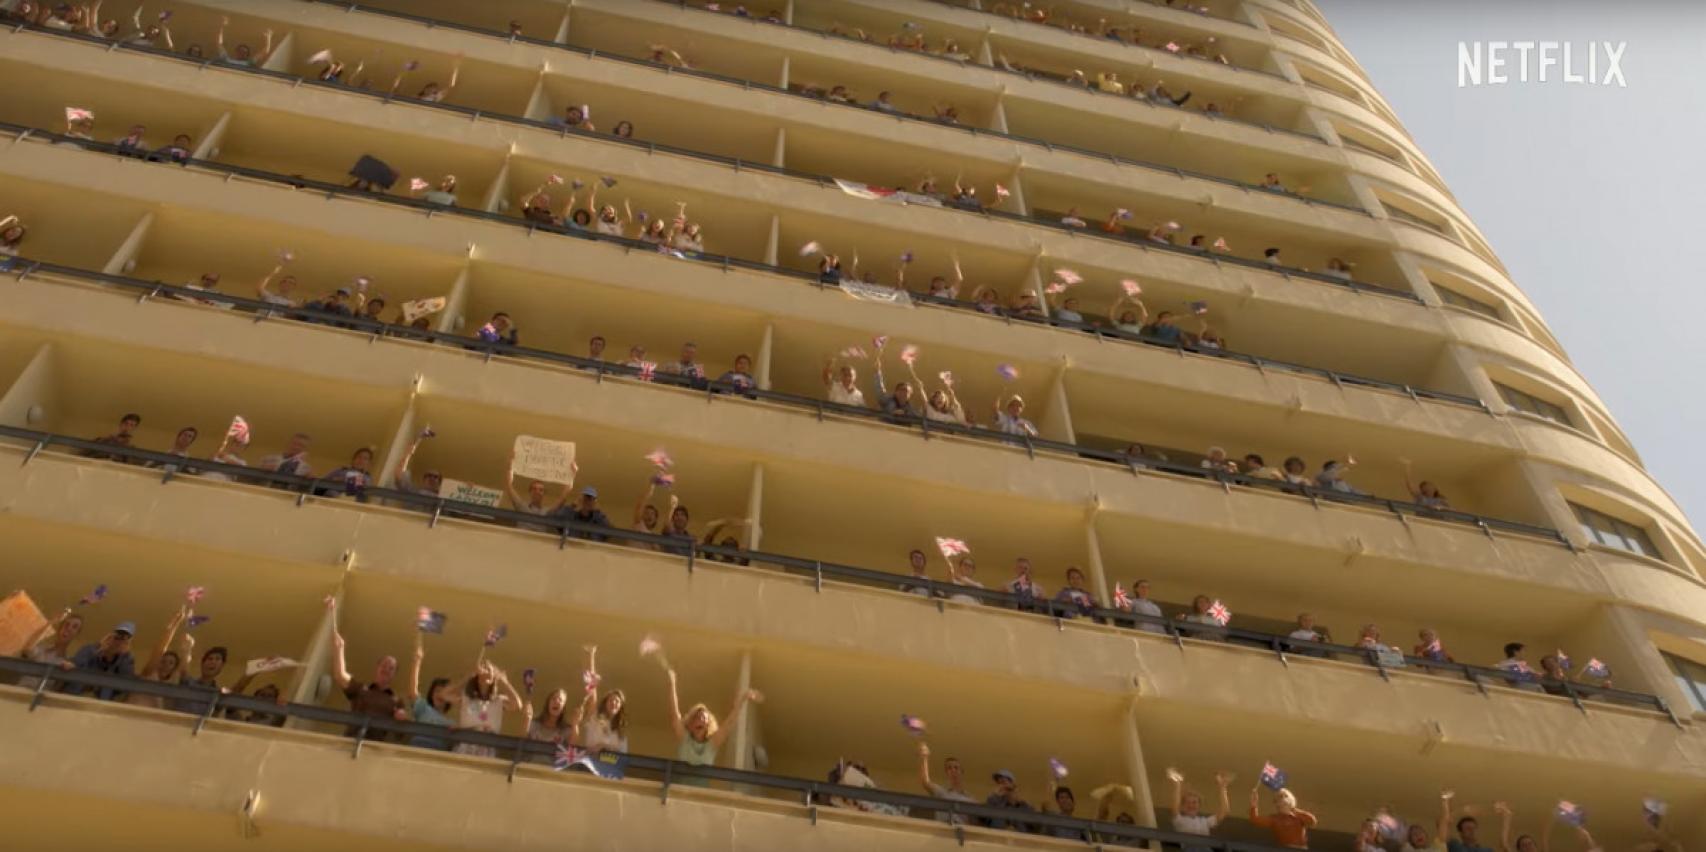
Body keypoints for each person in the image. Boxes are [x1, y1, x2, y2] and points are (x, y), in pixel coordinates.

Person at [664, 667, 761, 781]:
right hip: (679, 790)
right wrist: (672, 683)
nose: (700, 720)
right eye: (697, 717)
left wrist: (743, 699)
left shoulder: (711, 745)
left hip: (700, 791)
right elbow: (675, 715)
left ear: (708, 726)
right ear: (690, 724)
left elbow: (729, 723)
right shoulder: (685, 739)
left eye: (704, 718)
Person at [328, 603, 406, 737]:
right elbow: (340, 675)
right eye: (384, 665)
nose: (386, 669)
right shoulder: (361, 689)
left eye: (391, 668)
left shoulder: (397, 700)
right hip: (350, 740)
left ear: (394, 674)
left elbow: (400, 733)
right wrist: (339, 649)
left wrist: (402, 718)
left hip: (373, 746)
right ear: (377, 667)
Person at [439, 659, 523, 758]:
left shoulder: (498, 701)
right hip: (466, 745)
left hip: (487, 747)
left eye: (489, 670)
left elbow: (518, 704)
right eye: (484, 669)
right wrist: (468, 677)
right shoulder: (466, 699)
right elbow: (444, 694)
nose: (486, 672)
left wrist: (503, 681)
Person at [126, 605, 188, 710]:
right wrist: (175, 623)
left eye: (171, 663)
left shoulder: (172, 685)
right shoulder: (149, 675)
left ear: (174, 668)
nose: (165, 665)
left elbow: (184, 671)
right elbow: (160, 649)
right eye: (163, 661)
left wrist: (187, 650)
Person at [572, 645, 629, 755]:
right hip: (591, 762)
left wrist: (603, 747)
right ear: (605, 703)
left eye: (617, 701)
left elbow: (622, 756)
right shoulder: (595, 719)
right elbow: (592, 690)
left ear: (620, 707)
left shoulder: (621, 732)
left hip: (610, 765)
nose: (614, 703)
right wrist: (591, 657)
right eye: (611, 700)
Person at [65, 620, 138, 700]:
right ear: (111, 635)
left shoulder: (127, 660)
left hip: (100, 702)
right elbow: (76, 664)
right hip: (74, 696)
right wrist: (99, 648)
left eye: (124, 639)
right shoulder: (89, 649)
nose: (119, 641)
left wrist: (125, 656)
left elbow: (124, 685)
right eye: (117, 636)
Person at [405, 632, 454, 750]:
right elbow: (412, 692)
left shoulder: (450, 723)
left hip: (435, 756)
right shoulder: (424, 708)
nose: (439, 695)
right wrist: (417, 662)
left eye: (443, 692)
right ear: (431, 695)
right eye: (437, 691)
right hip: (416, 750)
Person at [505, 455, 574, 533]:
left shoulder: (547, 511)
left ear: (543, 493)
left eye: (541, 490)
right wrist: (510, 466)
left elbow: (563, 497)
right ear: (530, 492)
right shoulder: (522, 506)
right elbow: (509, 487)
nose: (537, 491)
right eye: (534, 489)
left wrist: (572, 474)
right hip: (521, 538)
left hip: (538, 540)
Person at [1169, 768, 1233, 852]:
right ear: (1183, 806)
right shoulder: (1179, 820)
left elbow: (1224, 811)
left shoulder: (1204, 821)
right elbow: (1175, 807)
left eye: (1194, 802)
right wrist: (1177, 785)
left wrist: (1223, 788)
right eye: (1188, 802)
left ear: (1199, 805)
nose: (1191, 805)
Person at [914, 741, 976, 824]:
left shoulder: (970, 798)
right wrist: (924, 758)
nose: (953, 770)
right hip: (943, 828)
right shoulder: (942, 792)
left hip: (961, 829)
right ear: (947, 772)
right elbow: (926, 782)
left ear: (961, 772)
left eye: (956, 767)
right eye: (949, 768)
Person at [19, 609, 83, 689]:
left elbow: (57, 688)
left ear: (77, 634)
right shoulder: (42, 650)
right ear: (60, 629)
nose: (69, 628)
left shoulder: (66, 663)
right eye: (66, 624)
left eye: (74, 627)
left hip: (39, 696)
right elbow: (28, 648)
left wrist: (69, 672)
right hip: (21, 691)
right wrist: (51, 622)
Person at [1249, 782, 1317, 849]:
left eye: (1286, 796)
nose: (1283, 798)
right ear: (1276, 803)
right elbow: (1255, 819)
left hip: (1300, 848)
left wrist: (1294, 809)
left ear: (1291, 800)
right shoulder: (1274, 819)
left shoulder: (1298, 816)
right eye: (1280, 797)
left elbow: (1312, 821)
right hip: (1283, 849)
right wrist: (1254, 805)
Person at [392, 430, 443, 498]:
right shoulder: (413, 492)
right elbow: (399, 473)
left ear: (440, 482)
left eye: (436, 477)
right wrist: (417, 439)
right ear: (423, 480)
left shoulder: (443, 497)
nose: (432, 478)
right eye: (429, 475)